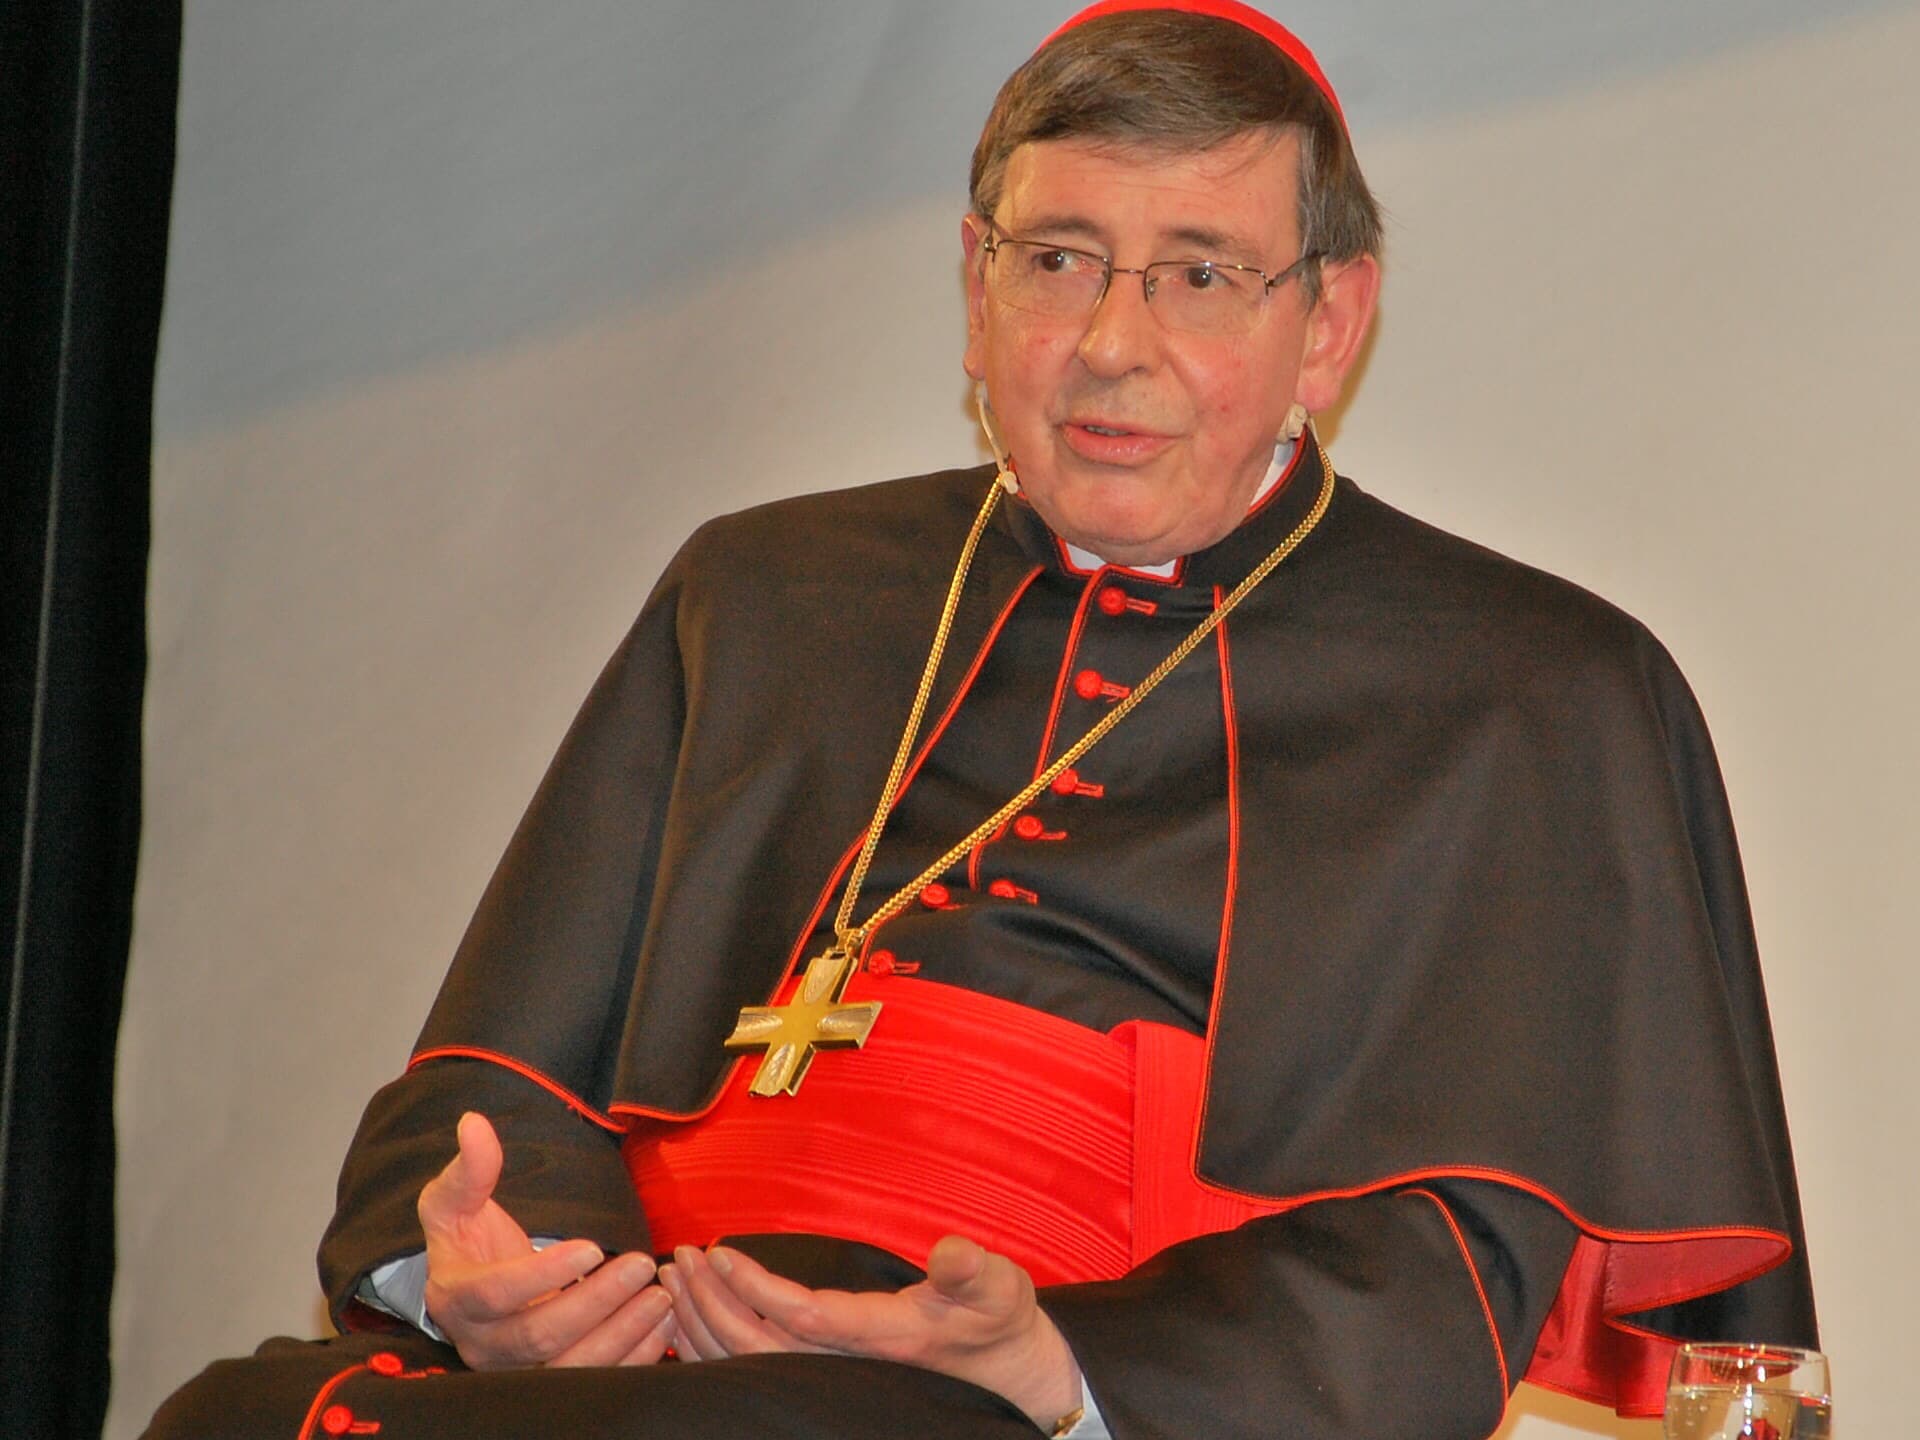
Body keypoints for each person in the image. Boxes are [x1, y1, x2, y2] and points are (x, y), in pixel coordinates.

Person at [145, 2, 1817, 1437]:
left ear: (1332, 325)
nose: (1109, 344)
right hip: (665, 1362)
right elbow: (490, 1084)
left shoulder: (1523, 688)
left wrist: (1066, 1363)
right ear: (974, 285)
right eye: (1059, 259)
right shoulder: (767, 592)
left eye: (1201, 275)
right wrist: (518, 1285)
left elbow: (1472, 1262)